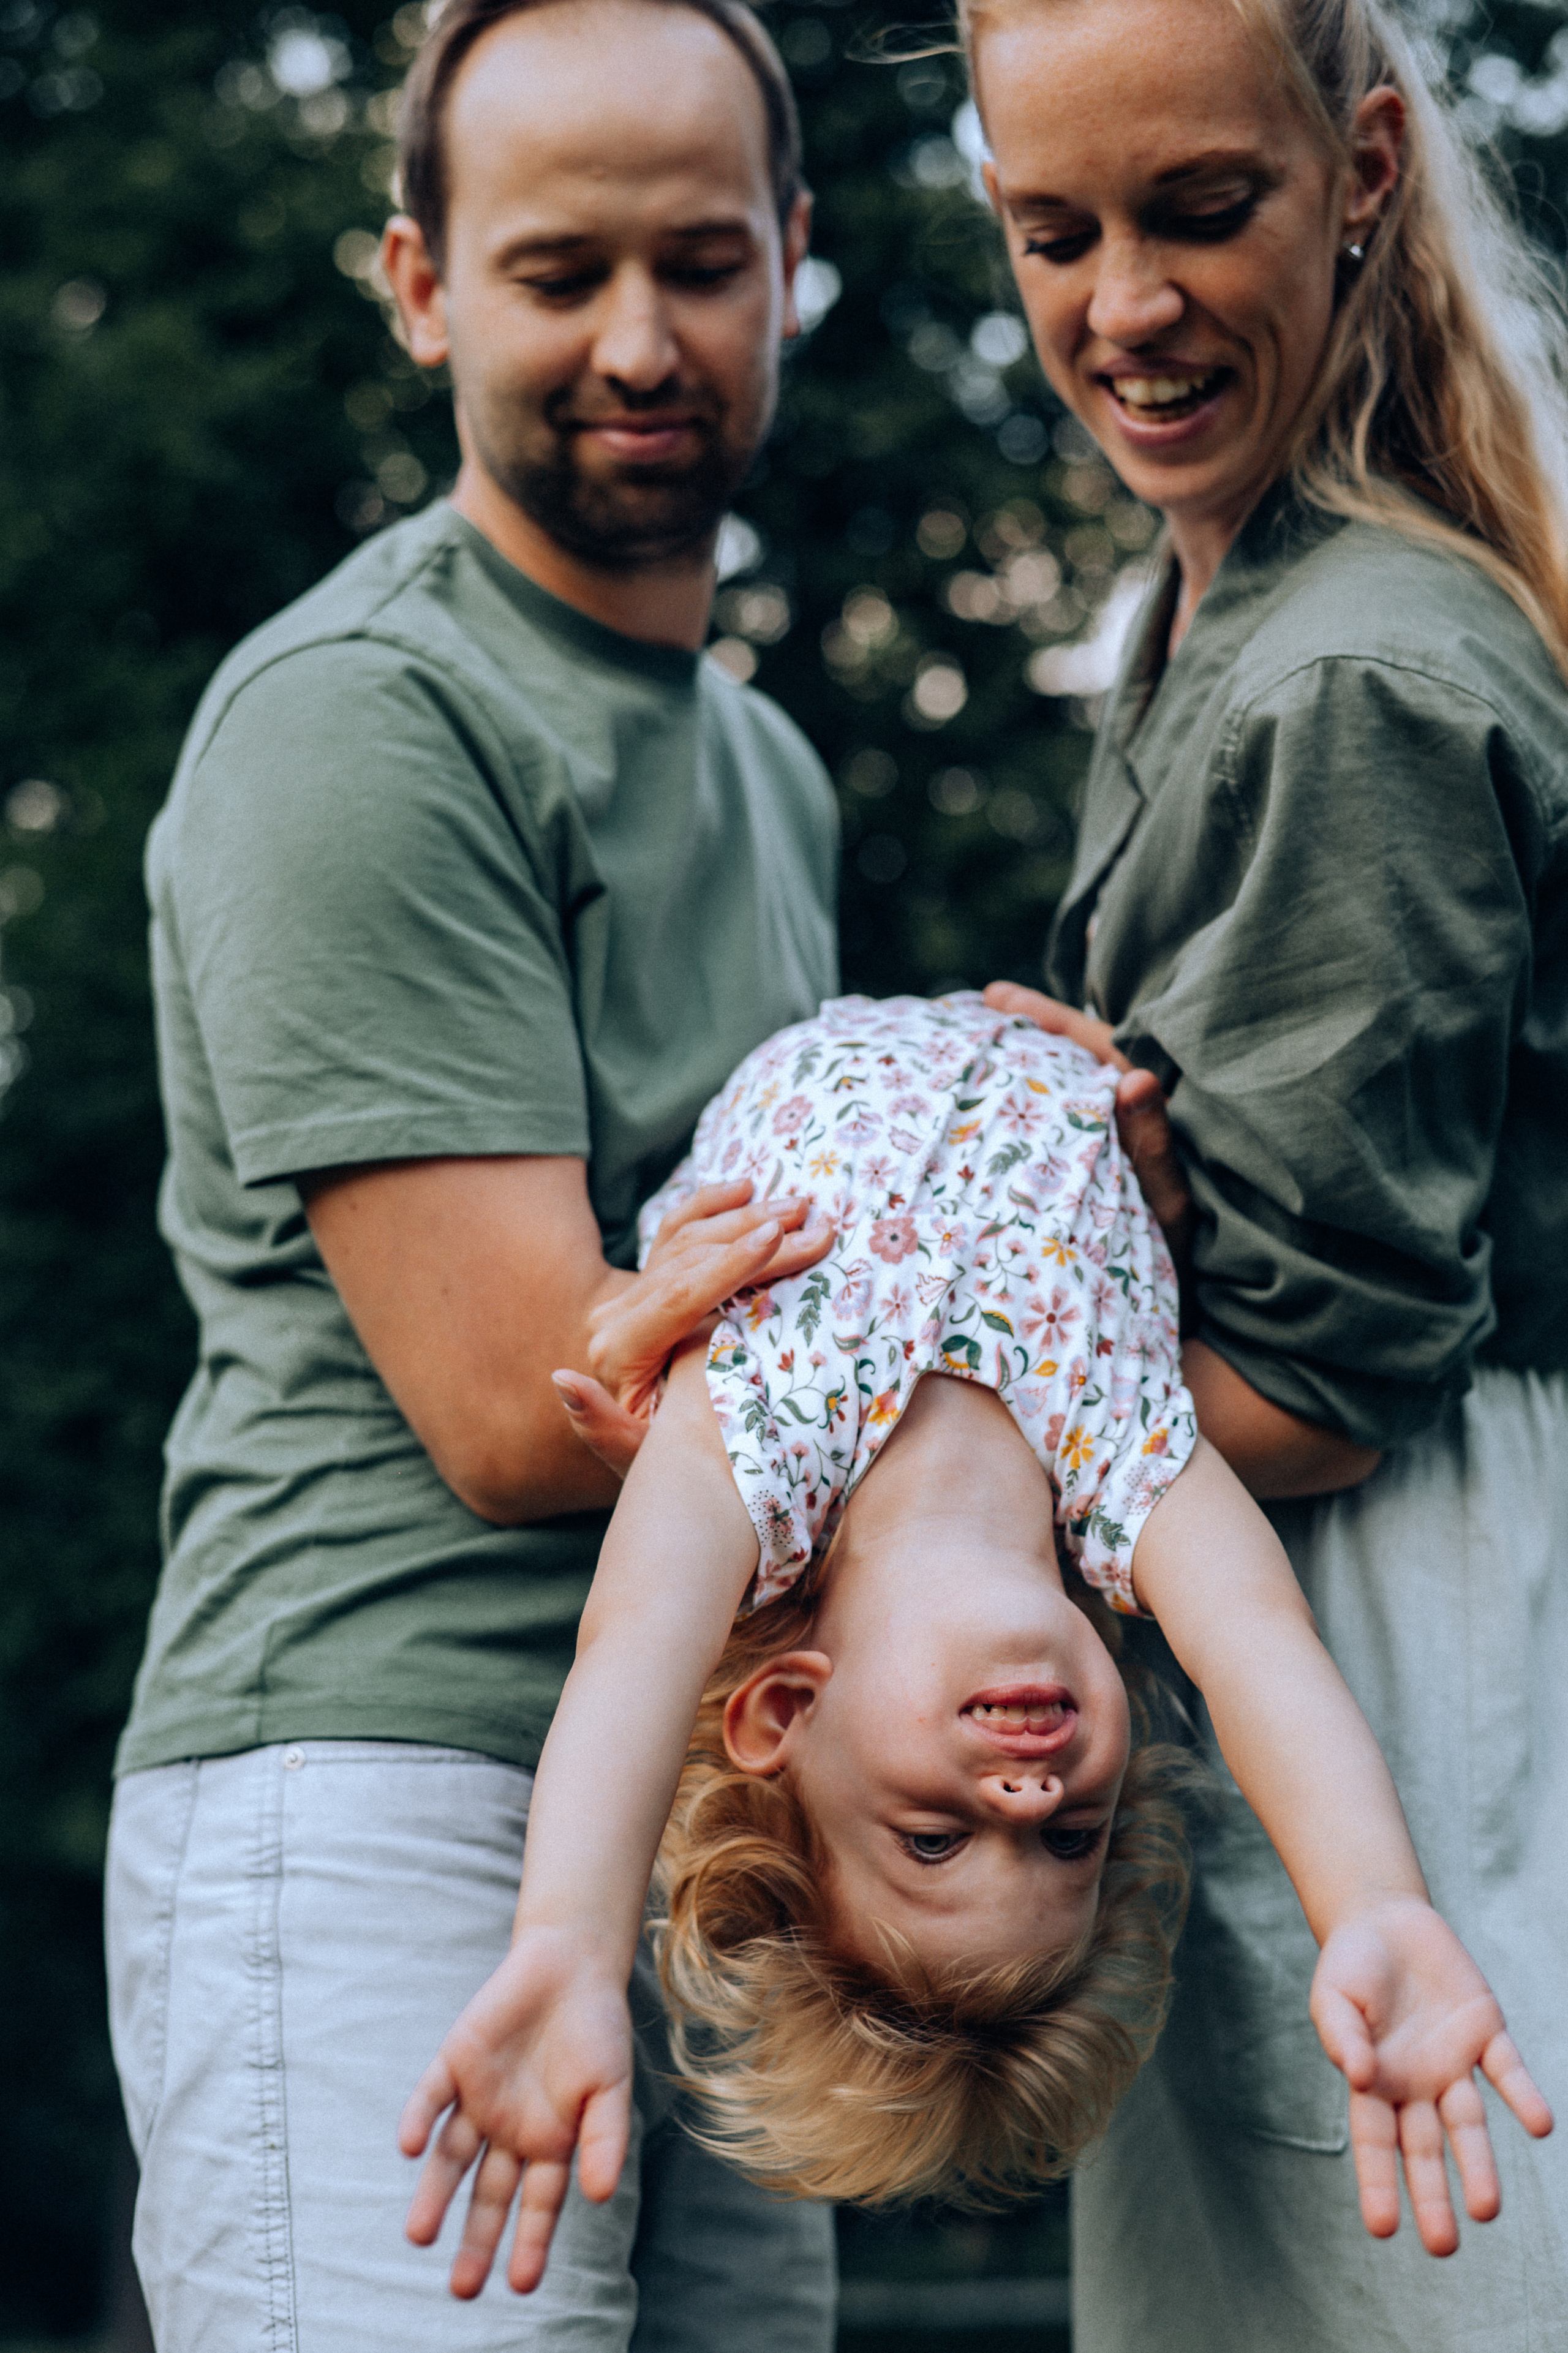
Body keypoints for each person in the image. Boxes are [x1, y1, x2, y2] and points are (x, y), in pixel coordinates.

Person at [104, 1, 851, 2344]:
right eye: (557, 272)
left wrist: (1011, 1117)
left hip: (702, 1825)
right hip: (379, 1786)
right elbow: (534, 1405)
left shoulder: (771, 767)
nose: (640, 340)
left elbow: (748, 1323)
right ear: (424, 286)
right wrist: (956, 1198)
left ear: (793, 265)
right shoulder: (365, 719)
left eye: (704, 262)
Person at [393, 992, 1547, 2297]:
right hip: (1070, 1038)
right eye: (1071, 1840)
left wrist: (566, 1942)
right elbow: (1261, 1648)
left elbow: (631, 1652)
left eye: (933, 1840)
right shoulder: (1125, 1462)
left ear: (783, 1714)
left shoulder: (748, 1447)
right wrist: (1372, 1905)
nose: (1029, 1794)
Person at [961, 0, 1568, 2344]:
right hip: (1272, 1626)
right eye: (1055, 230)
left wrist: (903, 1416)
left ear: (1366, 169)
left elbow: (1320, 1375)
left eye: (1200, 209)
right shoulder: (1210, 614)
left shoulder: (1359, 673)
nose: (1123, 304)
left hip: (1402, 1640)